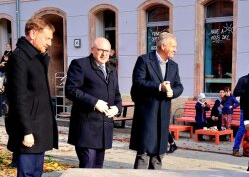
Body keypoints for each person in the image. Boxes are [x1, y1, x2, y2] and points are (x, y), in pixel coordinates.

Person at [5, 17, 58, 177]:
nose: (50, 42)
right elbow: (18, 98)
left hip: (40, 125)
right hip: (29, 129)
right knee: (27, 174)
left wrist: (43, 55)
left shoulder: (36, 56)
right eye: (47, 38)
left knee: (35, 173)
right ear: (33, 33)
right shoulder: (20, 58)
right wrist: (26, 131)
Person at [65, 37, 122, 168]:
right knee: (87, 170)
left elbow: (117, 95)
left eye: (107, 51)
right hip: (86, 129)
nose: (104, 54)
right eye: (100, 50)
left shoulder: (112, 70)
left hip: (104, 129)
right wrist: (94, 102)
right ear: (92, 49)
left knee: (97, 171)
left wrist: (117, 108)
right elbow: (71, 90)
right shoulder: (80, 65)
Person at [130, 32, 184, 169]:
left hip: (163, 116)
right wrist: (159, 87)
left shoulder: (174, 66)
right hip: (147, 114)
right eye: (173, 46)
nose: (175, 49)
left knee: (159, 155)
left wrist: (172, 92)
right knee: (144, 154)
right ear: (163, 46)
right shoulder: (144, 60)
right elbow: (138, 82)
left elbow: (179, 86)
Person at [232, 63, 249, 156]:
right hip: (246, 109)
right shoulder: (243, 79)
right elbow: (235, 92)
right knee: (242, 128)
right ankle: (235, 149)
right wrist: (248, 91)